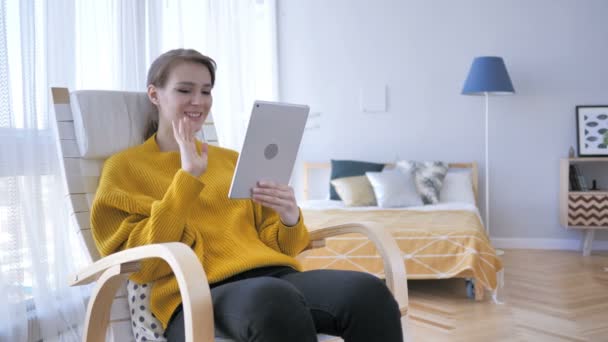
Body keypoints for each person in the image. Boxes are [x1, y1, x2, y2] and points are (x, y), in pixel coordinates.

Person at [91, 48, 403, 342]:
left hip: (275, 277)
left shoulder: (231, 160)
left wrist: (289, 217)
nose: (198, 100)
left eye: (206, 90)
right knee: (274, 299)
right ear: (155, 94)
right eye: (185, 90)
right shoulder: (124, 168)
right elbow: (144, 266)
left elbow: (286, 246)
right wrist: (187, 179)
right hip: (195, 295)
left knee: (368, 292)